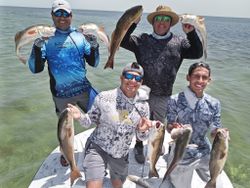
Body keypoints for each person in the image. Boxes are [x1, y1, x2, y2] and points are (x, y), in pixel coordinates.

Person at [120, 5, 203, 164]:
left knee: (158, 125)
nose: (162, 23)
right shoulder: (142, 40)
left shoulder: (180, 42)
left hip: (164, 94)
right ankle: (138, 145)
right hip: (142, 92)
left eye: (166, 19)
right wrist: (133, 23)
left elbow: (197, 52)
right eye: (158, 19)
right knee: (139, 121)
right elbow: (122, 40)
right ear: (153, 22)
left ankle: (155, 145)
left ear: (170, 23)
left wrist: (191, 33)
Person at [67, 62, 159, 188]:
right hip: (98, 148)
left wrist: (142, 131)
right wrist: (80, 116)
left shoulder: (143, 106)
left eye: (137, 78)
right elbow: (89, 121)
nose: (132, 80)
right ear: (121, 77)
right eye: (128, 76)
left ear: (141, 82)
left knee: (118, 185)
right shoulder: (104, 97)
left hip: (120, 154)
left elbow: (142, 137)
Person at [28, 0, 100, 116]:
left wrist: (94, 47)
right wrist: (36, 48)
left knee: (104, 116)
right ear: (52, 15)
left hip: (84, 89)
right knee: (66, 133)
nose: (62, 17)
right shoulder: (46, 38)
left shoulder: (80, 35)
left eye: (66, 14)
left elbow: (94, 63)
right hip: (61, 95)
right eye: (58, 13)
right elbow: (35, 69)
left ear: (71, 15)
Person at [165, 62, 223, 188]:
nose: (200, 80)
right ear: (188, 77)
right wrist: (174, 128)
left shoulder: (214, 103)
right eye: (196, 76)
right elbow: (169, 127)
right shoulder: (174, 100)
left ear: (209, 80)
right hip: (181, 153)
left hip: (204, 151)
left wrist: (219, 133)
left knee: (218, 183)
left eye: (204, 77)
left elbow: (214, 131)